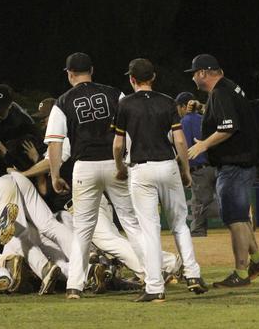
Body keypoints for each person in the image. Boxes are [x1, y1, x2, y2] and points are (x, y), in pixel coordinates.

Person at [44, 52, 144, 300]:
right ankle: (151, 273)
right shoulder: (114, 93)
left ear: (69, 74)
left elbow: (55, 143)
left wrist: (55, 174)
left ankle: (74, 286)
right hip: (114, 163)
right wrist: (127, 162)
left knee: (83, 230)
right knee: (130, 222)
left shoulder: (63, 101)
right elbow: (131, 130)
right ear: (92, 70)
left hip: (85, 166)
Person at [113, 58, 207, 302]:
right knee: (179, 224)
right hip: (167, 166)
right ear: (153, 77)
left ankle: (155, 288)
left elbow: (118, 144)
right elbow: (179, 141)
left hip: (141, 169)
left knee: (150, 230)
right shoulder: (168, 102)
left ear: (132, 79)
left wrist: (119, 167)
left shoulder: (125, 104)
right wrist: (185, 169)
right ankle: (193, 274)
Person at [185, 53, 259, 287]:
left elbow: (228, 127)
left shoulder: (221, 92)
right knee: (239, 217)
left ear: (203, 72)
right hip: (240, 162)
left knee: (235, 219)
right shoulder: (229, 87)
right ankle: (258, 259)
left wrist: (203, 144)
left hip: (235, 163)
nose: (193, 77)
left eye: (194, 73)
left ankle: (241, 273)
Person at [175, 92, 218, 237]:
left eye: (178, 107)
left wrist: (177, 165)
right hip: (213, 166)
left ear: (183, 106)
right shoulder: (204, 118)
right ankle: (199, 230)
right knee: (202, 201)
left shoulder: (185, 122)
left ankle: (241, 210)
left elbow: (184, 147)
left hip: (198, 168)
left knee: (200, 203)